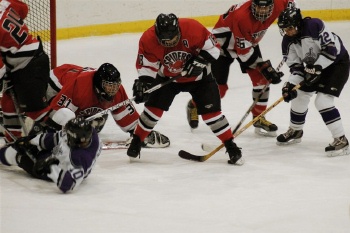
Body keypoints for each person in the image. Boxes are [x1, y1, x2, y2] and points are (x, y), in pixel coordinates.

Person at [127, 13, 244, 165]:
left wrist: (200, 61)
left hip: (200, 79)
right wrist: (144, 84)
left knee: (212, 115)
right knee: (152, 111)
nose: (169, 43)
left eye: (172, 39)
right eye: (165, 41)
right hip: (167, 79)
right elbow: (147, 66)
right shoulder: (148, 39)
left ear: (179, 31)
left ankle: (231, 146)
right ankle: (136, 141)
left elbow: (214, 49)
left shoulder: (193, 28)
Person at [186, 0, 296, 136]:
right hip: (222, 48)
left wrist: (293, 21)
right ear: (252, 5)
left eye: (265, 7)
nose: (262, 11)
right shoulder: (242, 17)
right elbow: (243, 52)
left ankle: (258, 118)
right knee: (219, 89)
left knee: (261, 81)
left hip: (248, 42)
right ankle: (194, 104)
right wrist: (265, 68)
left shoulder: (279, 3)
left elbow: (291, 5)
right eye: (259, 7)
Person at [36, 63, 170, 148]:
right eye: (108, 86)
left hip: (78, 90)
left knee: (95, 125)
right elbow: (56, 114)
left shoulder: (117, 90)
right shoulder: (79, 86)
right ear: (99, 84)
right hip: (54, 84)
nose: (112, 90)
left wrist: (142, 134)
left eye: (115, 86)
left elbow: (128, 121)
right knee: (64, 117)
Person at [276, 8, 349, 157]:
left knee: (323, 101)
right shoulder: (287, 42)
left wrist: (316, 69)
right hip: (313, 67)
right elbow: (296, 68)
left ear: (298, 23)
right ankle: (296, 131)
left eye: (290, 28)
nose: (287, 32)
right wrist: (290, 85)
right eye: (284, 29)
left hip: (337, 64)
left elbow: (331, 52)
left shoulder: (314, 25)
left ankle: (341, 139)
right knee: (299, 94)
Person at [0, 117, 102, 193]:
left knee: (18, 156)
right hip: (59, 156)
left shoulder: (81, 157)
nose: (84, 144)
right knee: (28, 147)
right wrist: (30, 141)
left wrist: (50, 168)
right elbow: (54, 138)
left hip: (62, 169)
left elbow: (68, 184)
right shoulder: (88, 132)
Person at [0, 0, 51, 142]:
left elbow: (0, 68)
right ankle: (13, 141)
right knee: (8, 100)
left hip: (29, 67)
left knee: (36, 112)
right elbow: (23, 8)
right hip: (29, 61)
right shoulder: (3, 4)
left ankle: (64, 134)